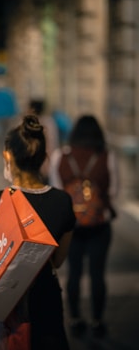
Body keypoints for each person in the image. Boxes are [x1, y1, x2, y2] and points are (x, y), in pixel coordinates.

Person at [0, 114, 76, 350]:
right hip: (45, 302)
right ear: (43, 158)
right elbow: (58, 260)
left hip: (0, 308)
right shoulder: (62, 202)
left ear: (8, 156)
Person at [49, 114, 119, 338]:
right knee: (98, 274)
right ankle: (97, 320)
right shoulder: (107, 156)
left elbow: (58, 190)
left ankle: (75, 317)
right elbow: (114, 191)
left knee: (74, 272)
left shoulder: (61, 155)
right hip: (99, 224)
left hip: (72, 225)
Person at [27, 99, 60, 182]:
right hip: (46, 165)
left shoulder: (28, 124)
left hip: (31, 167)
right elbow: (53, 145)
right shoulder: (50, 122)